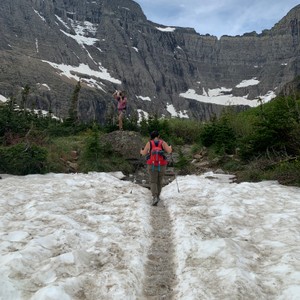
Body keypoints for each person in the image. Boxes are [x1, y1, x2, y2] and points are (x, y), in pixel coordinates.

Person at [140, 130, 172, 206]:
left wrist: (141, 151)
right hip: (162, 164)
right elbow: (169, 151)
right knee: (159, 181)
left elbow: (144, 153)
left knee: (153, 181)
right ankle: (158, 196)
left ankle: (154, 196)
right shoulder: (163, 143)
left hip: (152, 164)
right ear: (158, 136)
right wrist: (170, 147)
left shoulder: (149, 143)